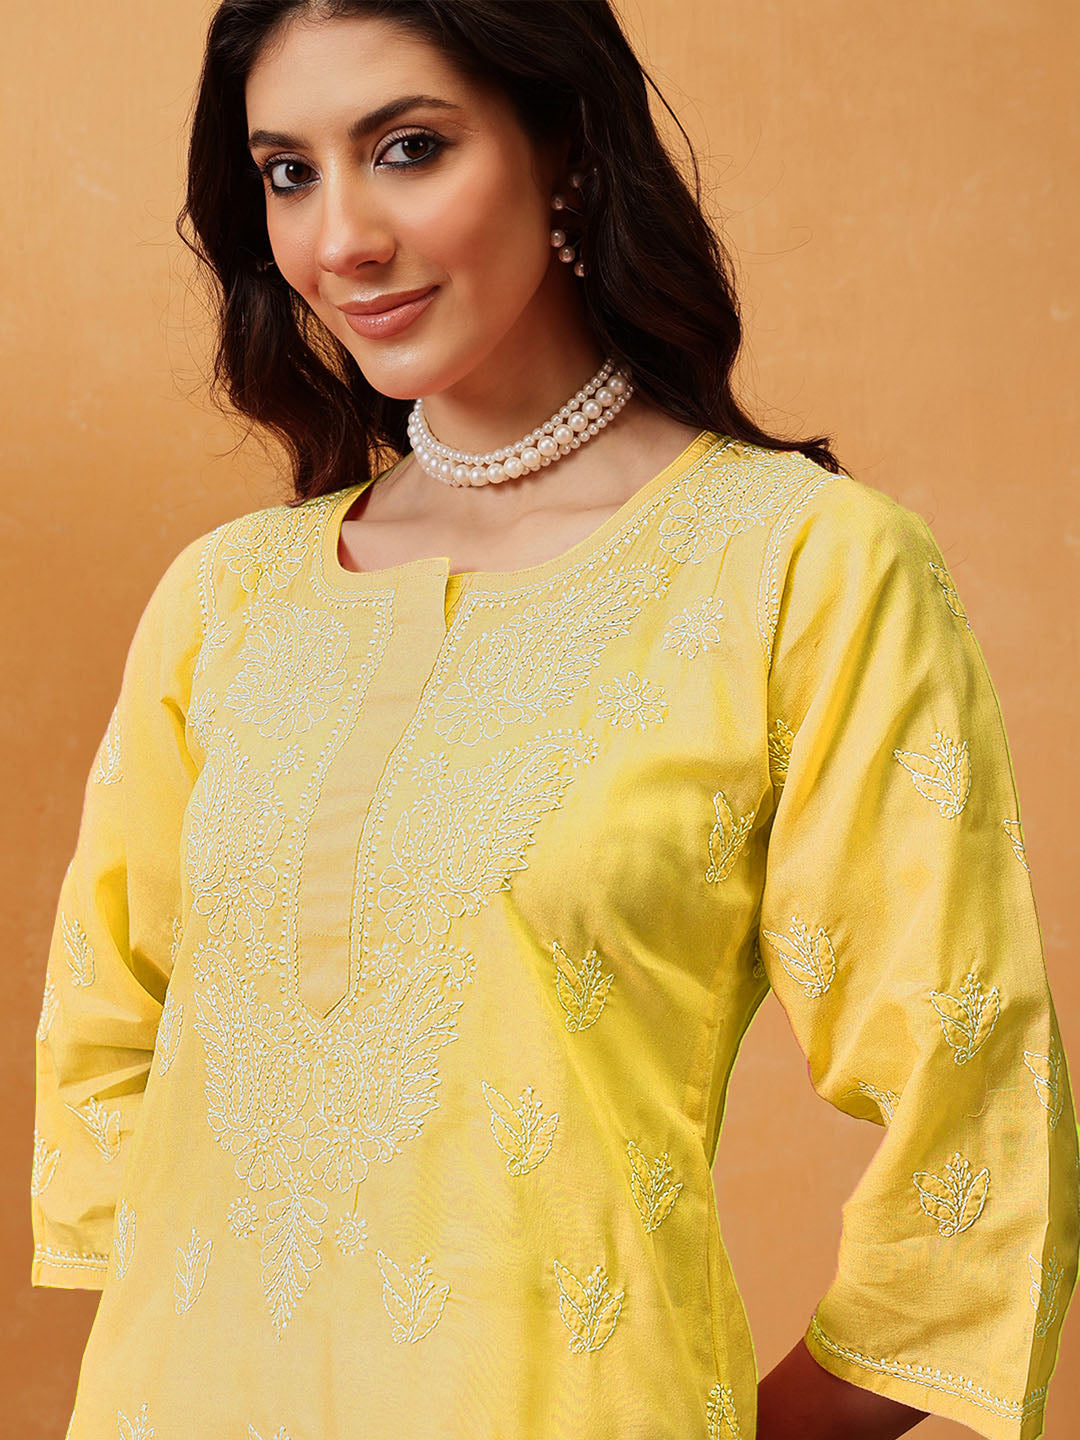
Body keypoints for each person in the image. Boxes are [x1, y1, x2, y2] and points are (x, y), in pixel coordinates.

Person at [29, 3, 1078, 1438]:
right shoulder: (228, 601)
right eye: (289, 173)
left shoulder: (797, 568)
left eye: (409, 149)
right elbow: (107, 1051)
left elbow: (980, 1123)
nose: (343, 238)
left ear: (568, 151)